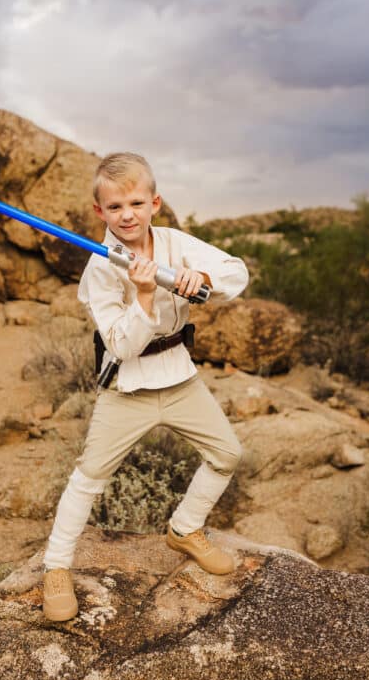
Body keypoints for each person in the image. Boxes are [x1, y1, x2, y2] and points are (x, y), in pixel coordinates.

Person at [42, 152, 249, 621]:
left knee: (227, 454)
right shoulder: (100, 268)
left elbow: (237, 273)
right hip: (127, 387)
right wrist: (145, 296)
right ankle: (55, 567)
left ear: (155, 202)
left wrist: (205, 279)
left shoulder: (176, 243)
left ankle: (185, 528)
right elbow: (123, 344)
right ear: (100, 212)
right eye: (115, 207)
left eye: (136, 202)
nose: (127, 214)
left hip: (179, 376)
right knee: (89, 477)